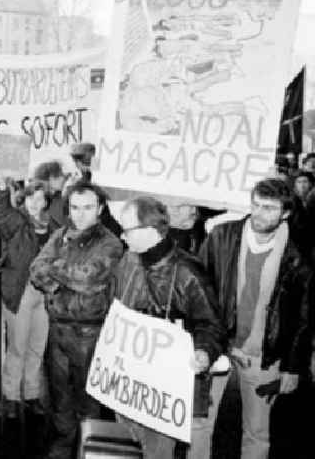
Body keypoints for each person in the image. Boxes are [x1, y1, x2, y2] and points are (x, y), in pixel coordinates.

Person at [193, 178, 312, 459]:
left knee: (258, 432)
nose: (258, 214)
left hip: (264, 354)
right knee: (198, 423)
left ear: (285, 213)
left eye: (269, 208)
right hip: (216, 346)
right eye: (255, 205)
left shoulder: (297, 257)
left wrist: (293, 367)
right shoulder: (223, 236)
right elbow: (198, 288)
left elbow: (303, 317)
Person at [114, 196, 224, 458]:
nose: (121, 235)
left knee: (157, 449)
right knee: (129, 442)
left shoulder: (187, 272)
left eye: (127, 229)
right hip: (129, 377)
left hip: (164, 384)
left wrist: (204, 351)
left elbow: (210, 324)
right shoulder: (129, 260)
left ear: (151, 231)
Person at [29, 182, 124, 458]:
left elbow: (89, 278)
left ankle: (88, 446)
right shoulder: (59, 235)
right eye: (74, 208)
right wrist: (61, 281)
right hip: (57, 327)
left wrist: (55, 270)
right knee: (60, 395)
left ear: (100, 209)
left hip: (90, 332)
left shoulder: (110, 242)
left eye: (87, 208)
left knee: (89, 398)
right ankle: (63, 441)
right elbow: (36, 270)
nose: (80, 214)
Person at [0, 178, 52, 418]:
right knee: (17, 346)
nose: (36, 203)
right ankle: (12, 397)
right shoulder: (16, 221)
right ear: (23, 199)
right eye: (31, 197)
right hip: (20, 291)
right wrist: (0, 191)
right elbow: (0, 212)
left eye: (40, 198)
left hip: (44, 294)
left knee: (37, 346)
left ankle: (32, 393)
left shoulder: (53, 225)